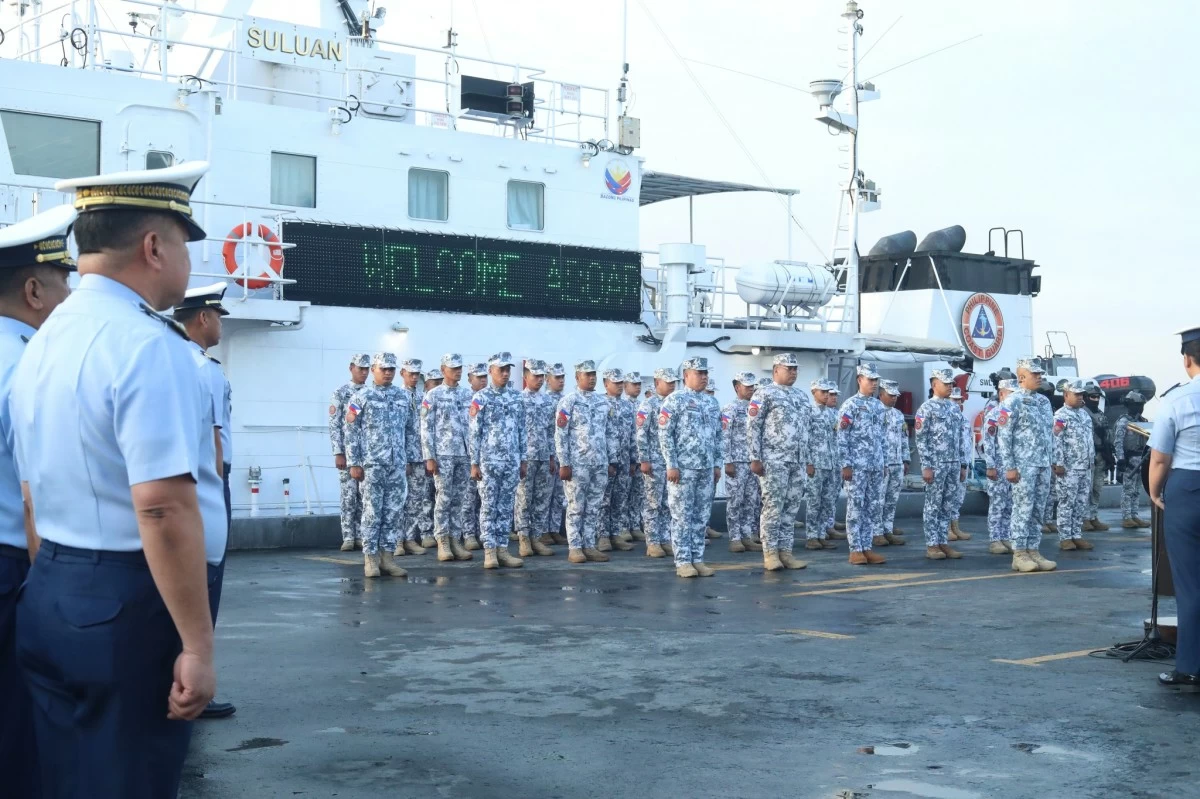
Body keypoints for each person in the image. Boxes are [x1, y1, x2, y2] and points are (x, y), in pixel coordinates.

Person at [12, 163, 216, 797]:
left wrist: (59, 581)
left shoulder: (42, 339)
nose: (185, 261)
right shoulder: (146, 345)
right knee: (130, 779)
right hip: (128, 600)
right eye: (184, 243)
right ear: (154, 246)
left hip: (51, 587)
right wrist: (198, 647)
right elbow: (161, 507)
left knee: (66, 777)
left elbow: (29, 490)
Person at [0, 205, 76, 797]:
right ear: (33, 289)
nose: (71, 294)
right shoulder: (30, 366)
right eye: (62, 282)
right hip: (12, 568)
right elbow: (36, 498)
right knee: (20, 724)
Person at [172, 282, 238, 721]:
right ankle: (193, 683)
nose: (220, 324)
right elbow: (214, 440)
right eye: (217, 316)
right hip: (210, 484)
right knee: (204, 587)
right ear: (202, 318)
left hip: (195, 483)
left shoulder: (182, 363)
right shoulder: (204, 371)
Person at [1148, 326, 1200, 690]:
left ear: (1187, 359)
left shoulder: (1178, 400)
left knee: (1190, 583)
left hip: (1189, 487)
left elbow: (1160, 458)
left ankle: (1191, 666)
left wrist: (1154, 492)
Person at [345, 352, 412, 578]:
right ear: (374, 369)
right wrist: (354, 462)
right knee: (372, 512)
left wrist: (409, 459)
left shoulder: (403, 397)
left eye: (391, 369)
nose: (387, 373)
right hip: (372, 464)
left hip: (397, 463)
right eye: (383, 369)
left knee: (393, 512)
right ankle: (370, 558)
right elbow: (351, 431)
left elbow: (410, 430)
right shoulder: (362, 396)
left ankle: (387, 557)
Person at [658, 357, 722, 577]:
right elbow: (665, 435)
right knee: (682, 516)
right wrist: (671, 464)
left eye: (706, 373)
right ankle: (683, 561)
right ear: (686, 375)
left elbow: (717, 436)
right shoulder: (674, 400)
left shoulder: (712, 403)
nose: (704, 377)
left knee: (701, 516)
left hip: (705, 469)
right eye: (699, 373)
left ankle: (698, 558)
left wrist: (717, 463)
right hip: (683, 469)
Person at [748, 353, 811, 571]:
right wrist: (755, 457)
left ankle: (786, 552)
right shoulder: (764, 394)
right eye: (789, 368)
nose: (793, 372)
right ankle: (770, 553)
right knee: (773, 508)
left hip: (797, 461)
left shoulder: (802, 396)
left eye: (795, 368)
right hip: (774, 461)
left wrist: (807, 459)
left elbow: (807, 430)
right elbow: (753, 427)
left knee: (791, 509)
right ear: (776, 370)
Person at [997, 358, 1057, 572]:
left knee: (1038, 509)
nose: (1040, 377)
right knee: (1023, 508)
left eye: (1040, 374)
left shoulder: (1043, 402)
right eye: (1035, 374)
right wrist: (1009, 466)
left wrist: (1053, 460)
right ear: (1022, 377)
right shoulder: (1012, 402)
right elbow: (1004, 436)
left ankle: (1033, 549)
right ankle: (1019, 553)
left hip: (1042, 464)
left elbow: (1050, 435)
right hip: (1023, 466)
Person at [469, 352, 527, 569]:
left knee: (505, 506)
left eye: (507, 370)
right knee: (489, 506)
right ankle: (490, 551)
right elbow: (474, 432)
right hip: (489, 461)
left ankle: (502, 548)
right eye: (500, 369)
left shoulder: (516, 397)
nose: (504, 373)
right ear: (491, 370)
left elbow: (522, 429)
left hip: (511, 460)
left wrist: (523, 459)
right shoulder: (481, 398)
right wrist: (474, 463)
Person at [555, 359, 615, 563]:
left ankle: (589, 545)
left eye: (593, 374)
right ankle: (575, 547)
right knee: (576, 506)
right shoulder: (569, 401)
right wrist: (564, 462)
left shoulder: (603, 402)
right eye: (587, 374)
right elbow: (560, 434)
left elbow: (609, 433)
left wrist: (611, 460)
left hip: (599, 463)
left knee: (594, 507)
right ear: (577, 377)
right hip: (577, 464)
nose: (591, 378)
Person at [420, 354, 475, 562]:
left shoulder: (468, 395)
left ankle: (455, 538)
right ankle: (442, 540)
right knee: (443, 497)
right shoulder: (433, 395)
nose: (457, 371)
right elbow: (426, 428)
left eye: (459, 367)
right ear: (443, 370)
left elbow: (473, 426)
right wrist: (429, 456)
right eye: (453, 368)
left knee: (459, 499)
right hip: (443, 454)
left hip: (464, 453)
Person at [838, 364, 887, 565]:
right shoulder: (850, 406)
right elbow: (842, 436)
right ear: (860, 380)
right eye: (870, 380)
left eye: (876, 380)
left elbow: (881, 437)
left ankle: (867, 546)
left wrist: (883, 462)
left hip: (875, 465)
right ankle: (855, 549)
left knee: (871, 507)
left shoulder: (878, 406)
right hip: (857, 466)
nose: (874, 384)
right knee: (856, 507)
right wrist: (846, 464)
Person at [915, 370, 966, 560]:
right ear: (934, 384)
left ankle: (943, 541)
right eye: (946, 383)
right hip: (936, 465)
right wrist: (926, 466)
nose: (950, 386)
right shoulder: (926, 409)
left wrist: (962, 464)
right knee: (933, 505)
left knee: (948, 505)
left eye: (951, 383)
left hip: (952, 463)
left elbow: (960, 438)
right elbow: (921, 440)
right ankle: (932, 545)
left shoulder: (954, 409)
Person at [515, 359, 556, 557]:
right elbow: (515, 431)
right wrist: (519, 457)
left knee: (541, 498)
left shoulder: (547, 400)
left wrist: (551, 456)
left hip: (543, 455)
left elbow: (550, 430)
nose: (539, 379)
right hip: (526, 456)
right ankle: (524, 538)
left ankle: (536, 537)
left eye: (542, 376)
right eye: (535, 376)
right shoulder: (518, 400)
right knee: (524, 498)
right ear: (525, 376)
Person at [331, 354, 371, 550]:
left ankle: (363, 535)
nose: (364, 372)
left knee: (366, 497)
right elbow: (335, 424)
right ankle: (348, 535)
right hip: (347, 453)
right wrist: (338, 451)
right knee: (348, 496)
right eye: (360, 368)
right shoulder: (341, 393)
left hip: (369, 455)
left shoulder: (372, 393)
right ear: (351, 368)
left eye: (366, 369)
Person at [637, 368, 677, 558]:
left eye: (673, 382)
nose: (671, 385)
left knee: (668, 503)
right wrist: (644, 459)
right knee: (652, 503)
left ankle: (664, 539)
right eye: (667, 381)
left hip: (671, 462)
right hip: (654, 461)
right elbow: (641, 434)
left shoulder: (675, 403)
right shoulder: (648, 404)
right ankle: (652, 542)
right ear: (656, 383)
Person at [722, 372, 764, 553]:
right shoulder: (729, 409)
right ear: (737, 387)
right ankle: (735, 538)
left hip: (753, 461)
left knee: (751, 500)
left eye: (753, 386)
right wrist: (727, 461)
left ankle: (747, 535)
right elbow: (724, 436)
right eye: (747, 386)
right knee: (735, 500)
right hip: (737, 461)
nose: (751, 389)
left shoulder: (758, 408)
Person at [1052, 379, 1095, 551]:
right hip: (1068, 468)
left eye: (1081, 394)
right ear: (1066, 395)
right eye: (1076, 394)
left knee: (1081, 502)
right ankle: (1065, 537)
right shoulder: (1060, 416)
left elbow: (1088, 440)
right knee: (1066, 502)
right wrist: (1059, 463)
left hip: (1085, 466)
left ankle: (1076, 534)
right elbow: (1056, 440)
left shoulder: (1084, 415)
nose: (1079, 397)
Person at [395, 359, 430, 556]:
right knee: (399, 499)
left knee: (416, 499)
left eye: (417, 374)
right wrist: (405, 458)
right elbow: (398, 429)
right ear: (403, 373)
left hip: (421, 455)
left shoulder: (423, 397)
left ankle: (409, 537)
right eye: (411, 373)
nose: (414, 377)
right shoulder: (398, 396)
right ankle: (397, 540)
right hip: (402, 456)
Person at [598, 368, 634, 552]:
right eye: (615, 382)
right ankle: (603, 535)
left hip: (625, 458)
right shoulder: (600, 404)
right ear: (605, 383)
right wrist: (609, 460)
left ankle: (616, 533)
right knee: (604, 499)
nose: (620, 386)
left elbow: (633, 433)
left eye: (621, 383)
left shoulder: (628, 406)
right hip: (606, 459)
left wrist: (634, 459)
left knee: (620, 498)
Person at [803, 379, 840, 549]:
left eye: (828, 392)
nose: (826, 395)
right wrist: (808, 462)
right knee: (814, 501)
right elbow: (804, 439)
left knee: (827, 501)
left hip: (831, 463)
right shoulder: (808, 412)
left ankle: (822, 533)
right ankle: (811, 536)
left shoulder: (833, 413)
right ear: (814, 393)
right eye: (823, 392)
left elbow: (836, 439)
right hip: (816, 464)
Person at [981, 379, 1016, 555]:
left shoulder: (1016, 413)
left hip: (1013, 466)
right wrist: (990, 465)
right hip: (999, 465)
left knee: (1010, 503)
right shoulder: (994, 414)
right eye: (1011, 393)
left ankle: (1006, 536)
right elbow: (988, 441)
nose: (1014, 397)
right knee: (997, 503)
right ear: (1002, 394)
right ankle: (995, 539)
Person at [1114, 391, 1151, 528]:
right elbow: (1118, 442)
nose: (1140, 408)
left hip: (1141, 458)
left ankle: (1135, 515)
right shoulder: (1123, 421)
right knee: (1128, 489)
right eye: (1137, 405)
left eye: (1141, 405)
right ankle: (1126, 516)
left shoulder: (1143, 422)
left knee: (1137, 490)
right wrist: (1121, 459)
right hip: (1129, 460)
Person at [879, 379, 909, 546]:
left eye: (896, 396)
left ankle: (887, 529)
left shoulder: (898, 415)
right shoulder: (875, 412)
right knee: (879, 499)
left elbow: (903, 438)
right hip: (882, 463)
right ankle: (876, 531)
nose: (894, 398)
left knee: (892, 499)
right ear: (881, 394)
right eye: (890, 395)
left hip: (897, 463)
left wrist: (906, 459)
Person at [1082, 382, 1114, 532]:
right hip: (1088, 456)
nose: (1095, 399)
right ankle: (1084, 518)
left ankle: (1093, 516)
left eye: (1097, 397)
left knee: (1097, 488)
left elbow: (1107, 435)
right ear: (1086, 397)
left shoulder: (1100, 415)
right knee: (1086, 489)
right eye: (1092, 396)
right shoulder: (1082, 414)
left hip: (1101, 455)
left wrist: (1110, 456)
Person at [464, 362, 489, 549]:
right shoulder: (464, 398)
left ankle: (483, 533)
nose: (482, 380)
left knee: (485, 499)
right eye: (478, 377)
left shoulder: (489, 398)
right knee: (468, 497)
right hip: (466, 455)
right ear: (469, 379)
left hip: (486, 456)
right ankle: (468, 534)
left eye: (484, 377)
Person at [545, 362, 569, 544]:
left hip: (563, 455)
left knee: (558, 494)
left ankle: (554, 529)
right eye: (557, 377)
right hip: (548, 454)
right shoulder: (545, 400)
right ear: (548, 379)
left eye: (562, 377)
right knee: (545, 494)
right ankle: (543, 530)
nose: (561, 381)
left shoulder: (566, 400)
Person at [948, 386, 974, 541]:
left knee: (958, 497)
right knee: (947, 497)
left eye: (959, 400)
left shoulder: (963, 419)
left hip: (962, 463)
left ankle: (955, 526)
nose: (957, 403)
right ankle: (946, 528)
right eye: (954, 399)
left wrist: (964, 465)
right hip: (949, 463)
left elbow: (966, 443)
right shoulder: (947, 419)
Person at [623, 372, 646, 542]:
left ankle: (635, 524)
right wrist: (631, 458)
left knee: (637, 493)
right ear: (625, 386)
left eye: (639, 384)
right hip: (626, 457)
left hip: (640, 456)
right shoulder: (623, 405)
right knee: (623, 493)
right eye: (634, 384)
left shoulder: (642, 405)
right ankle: (623, 527)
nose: (637, 386)